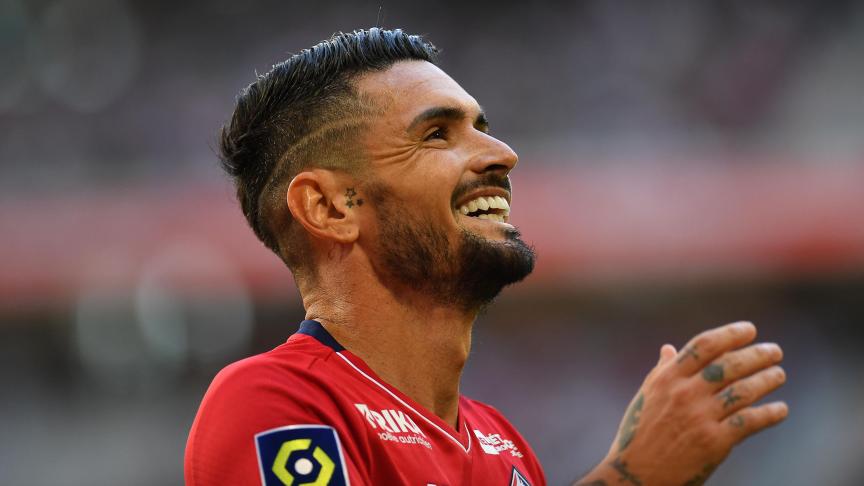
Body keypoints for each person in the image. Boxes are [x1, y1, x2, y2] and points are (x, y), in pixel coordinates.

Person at [184, 28, 788, 486]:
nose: (502, 154)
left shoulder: (505, 444)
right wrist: (629, 478)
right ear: (330, 207)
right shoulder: (273, 401)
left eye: (482, 126)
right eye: (437, 135)